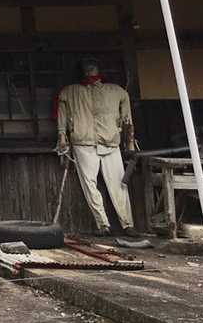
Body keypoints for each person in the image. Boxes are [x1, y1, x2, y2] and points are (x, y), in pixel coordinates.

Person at [56, 58, 140, 237]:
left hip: (109, 142)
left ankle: (127, 223)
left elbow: (127, 121)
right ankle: (103, 224)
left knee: (118, 184)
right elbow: (62, 120)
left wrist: (130, 143)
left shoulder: (117, 92)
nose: (90, 71)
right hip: (83, 142)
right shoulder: (69, 92)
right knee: (90, 185)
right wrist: (62, 138)